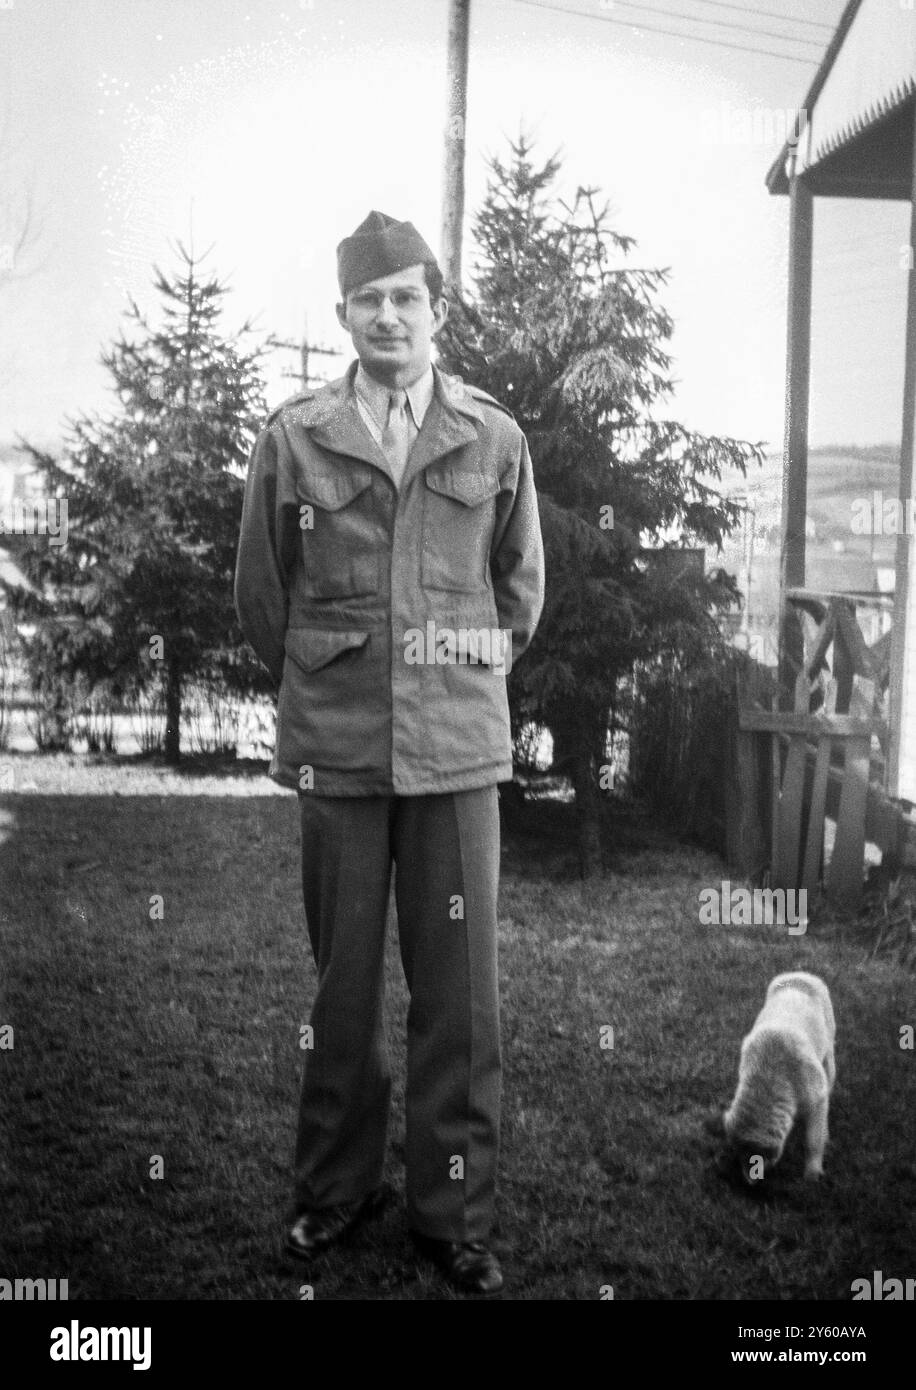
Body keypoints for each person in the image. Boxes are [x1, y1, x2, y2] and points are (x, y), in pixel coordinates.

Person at [234, 210, 544, 1295]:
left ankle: (452, 1211)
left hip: (458, 753)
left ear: (435, 310)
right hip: (339, 750)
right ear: (342, 318)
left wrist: (459, 678)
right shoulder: (295, 436)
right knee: (344, 989)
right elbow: (261, 595)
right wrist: (332, 675)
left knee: (462, 992)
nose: (388, 315)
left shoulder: (492, 437)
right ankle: (334, 1192)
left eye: (407, 296)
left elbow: (519, 593)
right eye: (368, 300)